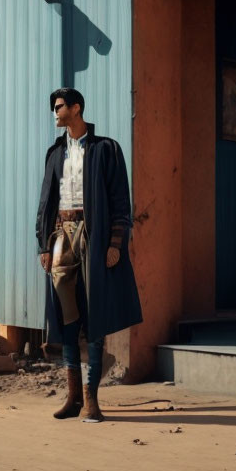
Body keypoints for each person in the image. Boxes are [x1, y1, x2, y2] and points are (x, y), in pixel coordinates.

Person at [36, 87, 142, 422]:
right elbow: (46, 202)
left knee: (94, 313)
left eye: (60, 106)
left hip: (94, 237)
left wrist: (115, 244)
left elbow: (121, 203)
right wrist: (44, 244)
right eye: (54, 107)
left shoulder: (106, 149)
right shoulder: (55, 153)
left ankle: (92, 399)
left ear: (77, 108)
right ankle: (73, 399)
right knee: (67, 317)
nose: (55, 112)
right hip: (61, 236)